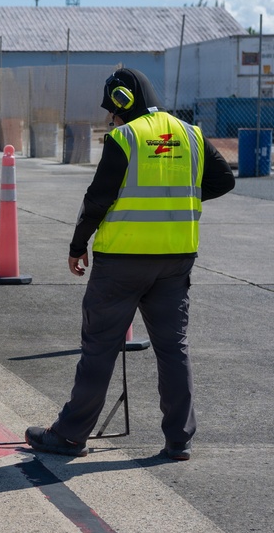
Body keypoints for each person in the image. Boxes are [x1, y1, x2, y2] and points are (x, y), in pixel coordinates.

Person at [26, 67, 235, 461]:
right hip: (175, 259)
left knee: (100, 348)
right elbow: (224, 180)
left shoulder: (126, 137)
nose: (112, 118)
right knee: (173, 349)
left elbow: (98, 198)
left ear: (124, 101)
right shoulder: (190, 133)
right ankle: (179, 440)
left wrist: (77, 244)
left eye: (113, 110)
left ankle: (70, 435)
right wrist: (177, 200)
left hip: (121, 261)